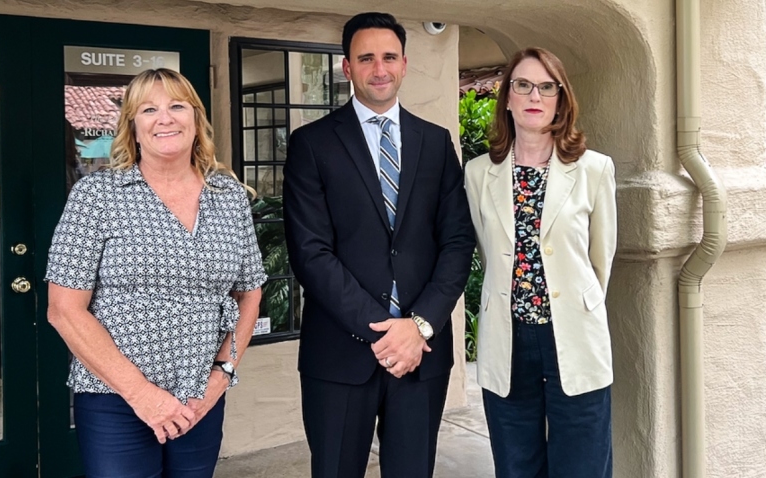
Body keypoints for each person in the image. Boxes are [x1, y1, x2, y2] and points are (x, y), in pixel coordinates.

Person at [45, 68, 266, 478]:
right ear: (133, 125)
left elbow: (250, 292)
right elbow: (63, 310)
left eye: (177, 106)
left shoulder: (229, 196)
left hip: (199, 399)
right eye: (148, 109)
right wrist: (142, 395)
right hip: (115, 399)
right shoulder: (97, 195)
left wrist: (222, 374)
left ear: (196, 118)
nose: (164, 118)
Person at [283, 11, 475, 478]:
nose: (379, 68)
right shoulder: (312, 144)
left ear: (404, 64)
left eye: (389, 57)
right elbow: (310, 253)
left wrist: (419, 327)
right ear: (347, 67)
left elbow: (457, 242)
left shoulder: (436, 143)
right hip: (341, 354)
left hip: (421, 355)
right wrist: (385, 334)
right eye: (366, 58)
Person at [464, 47, 617, 478]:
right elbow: (486, 251)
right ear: (507, 99)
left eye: (548, 87)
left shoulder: (594, 170)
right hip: (508, 338)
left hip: (574, 334)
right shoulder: (477, 174)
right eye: (524, 85)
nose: (535, 96)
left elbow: (600, 261)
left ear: (561, 100)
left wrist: (574, 308)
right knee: (516, 465)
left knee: (583, 464)